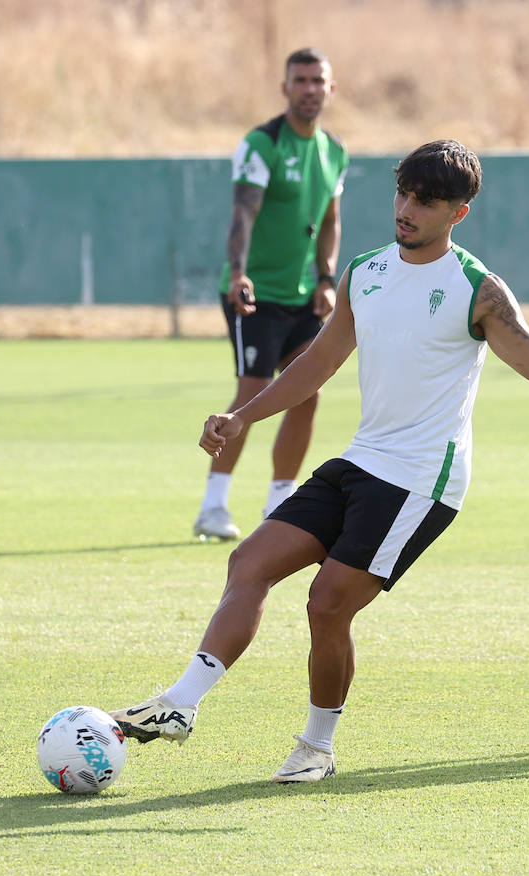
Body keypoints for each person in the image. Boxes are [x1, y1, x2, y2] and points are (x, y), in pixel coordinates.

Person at [113, 140, 529, 782]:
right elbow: (318, 363)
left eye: (425, 202)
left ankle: (317, 746)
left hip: (422, 482)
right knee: (249, 561)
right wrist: (244, 416)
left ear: (458, 212)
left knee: (327, 606)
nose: (406, 209)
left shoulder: (477, 291)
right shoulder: (365, 271)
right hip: (361, 461)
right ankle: (180, 705)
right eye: (402, 193)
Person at [193, 47, 349, 541]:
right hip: (254, 293)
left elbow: (330, 221)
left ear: (330, 87)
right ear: (285, 89)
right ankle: (213, 506)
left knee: (307, 393)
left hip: (304, 295)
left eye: (316, 80)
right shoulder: (262, 145)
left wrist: (325, 279)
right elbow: (243, 213)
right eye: (299, 80)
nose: (309, 89)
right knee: (253, 393)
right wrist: (238, 272)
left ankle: (280, 504)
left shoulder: (334, 152)